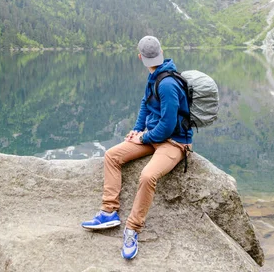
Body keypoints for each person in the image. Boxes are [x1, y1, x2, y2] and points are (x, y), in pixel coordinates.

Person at [81, 35, 193, 260]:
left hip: (174, 141)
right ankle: (109, 211)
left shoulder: (168, 83)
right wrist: (136, 130)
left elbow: (169, 124)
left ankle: (132, 229)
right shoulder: (154, 75)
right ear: (160, 52)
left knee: (147, 175)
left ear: (140, 56)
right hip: (153, 136)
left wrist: (144, 138)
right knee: (112, 155)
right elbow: (145, 104)